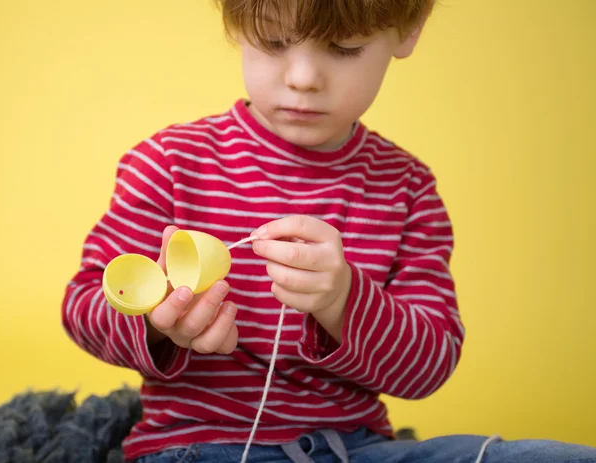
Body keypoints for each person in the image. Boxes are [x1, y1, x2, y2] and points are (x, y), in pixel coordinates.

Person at [62, 1, 596, 462]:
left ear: (408, 29)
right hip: (206, 446)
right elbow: (82, 304)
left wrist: (343, 300)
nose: (303, 78)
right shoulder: (171, 163)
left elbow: (430, 365)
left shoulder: (406, 188)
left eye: (343, 48)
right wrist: (158, 323)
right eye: (274, 42)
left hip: (360, 449)